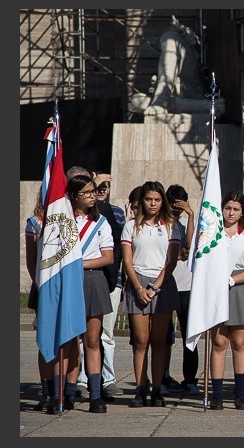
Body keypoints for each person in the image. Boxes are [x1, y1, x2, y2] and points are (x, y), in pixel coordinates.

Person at [121, 180, 181, 408]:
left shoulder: (171, 226)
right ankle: (140, 389)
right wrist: (138, 288)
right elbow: (127, 260)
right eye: (148, 199)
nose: (153, 204)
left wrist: (155, 287)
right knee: (140, 341)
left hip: (162, 283)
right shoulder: (130, 226)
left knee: (159, 341)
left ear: (162, 201)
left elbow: (171, 261)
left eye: (157, 200)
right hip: (137, 283)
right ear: (142, 201)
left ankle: (157, 389)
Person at [66, 175, 116, 413]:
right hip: (69, 280)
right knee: (70, 340)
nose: (91, 197)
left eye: (92, 192)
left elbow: (108, 257)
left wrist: (82, 264)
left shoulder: (101, 223)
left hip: (93, 279)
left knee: (92, 340)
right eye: (85, 193)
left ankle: (96, 394)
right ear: (74, 196)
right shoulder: (65, 221)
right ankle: (68, 391)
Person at [208, 191, 244, 410]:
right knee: (219, 342)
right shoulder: (212, 233)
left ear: (242, 213)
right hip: (216, 290)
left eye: (236, 209)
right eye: (227, 208)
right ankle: (217, 395)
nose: (231, 213)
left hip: (239, 289)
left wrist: (231, 280)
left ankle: (240, 395)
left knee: (239, 343)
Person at [76, 171, 126, 400]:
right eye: (90, 191)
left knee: (99, 336)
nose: (96, 194)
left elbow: (112, 252)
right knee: (75, 337)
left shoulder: (107, 216)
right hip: (74, 281)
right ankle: (77, 382)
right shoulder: (67, 216)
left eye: (99, 190)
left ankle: (102, 385)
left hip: (101, 280)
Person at [165, 184, 200, 395]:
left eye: (180, 206)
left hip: (186, 286)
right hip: (167, 283)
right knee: (164, 334)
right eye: (174, 206)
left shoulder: (186, 224)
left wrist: (191, 215)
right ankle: (163, 376)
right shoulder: (162, 224)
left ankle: (190, 378)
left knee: (189, 333)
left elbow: (190, 245)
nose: (176, 210)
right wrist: (178, 256)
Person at [25, 190, 56, 412]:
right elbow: (31, 260)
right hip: (42, 286)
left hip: (64, 286)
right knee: (46, 339)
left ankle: (64, 389)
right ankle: (47, 391)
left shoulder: (71, 220)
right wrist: (39, 284)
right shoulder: (35, 223)